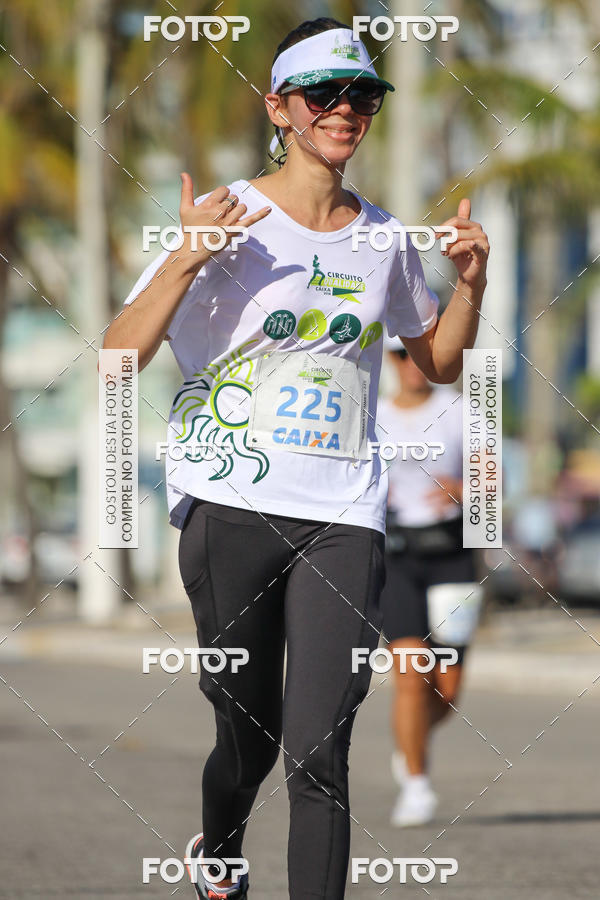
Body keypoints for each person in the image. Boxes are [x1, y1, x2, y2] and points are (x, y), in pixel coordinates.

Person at [103, 16, 489, 899]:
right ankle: (220, 846)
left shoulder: (385, 237)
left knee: (321, 749)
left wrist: (470, 288)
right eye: (325, 94)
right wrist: (180, 265)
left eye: (363, 94)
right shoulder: (227, 218)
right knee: (250, 736)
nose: (346, 109)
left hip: (346, 513)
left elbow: (436, 362)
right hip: (229, 506)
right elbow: (118, 357)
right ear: (279, 107)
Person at [376, 336, 484, 828]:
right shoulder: (371, 413)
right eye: (401, 353)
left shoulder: (461, 408)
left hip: (451, 553)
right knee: (410, 675)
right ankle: (416, 784)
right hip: (395, 555)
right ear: (391, 360)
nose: (413, 363)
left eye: (419, 351)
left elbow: (493, 480)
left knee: (447, 688)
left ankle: (412, 741)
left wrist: (467, 489)